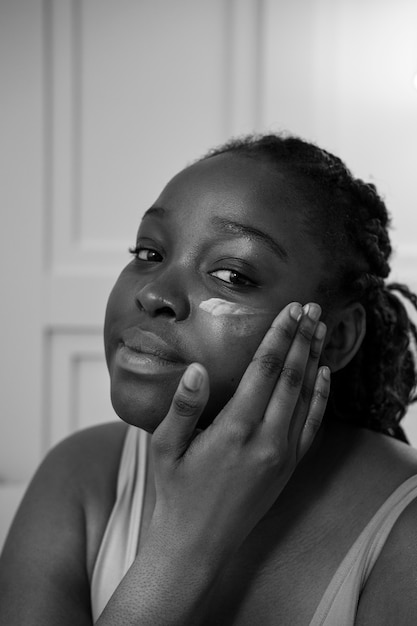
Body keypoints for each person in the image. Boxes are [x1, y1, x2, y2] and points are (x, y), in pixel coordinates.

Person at [0, 132, 416, 625]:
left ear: (338, 336)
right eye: (149, 253)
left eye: (233, 274)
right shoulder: (82, 478)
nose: (155, 293)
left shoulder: (405, 531)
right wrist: (185, 543)